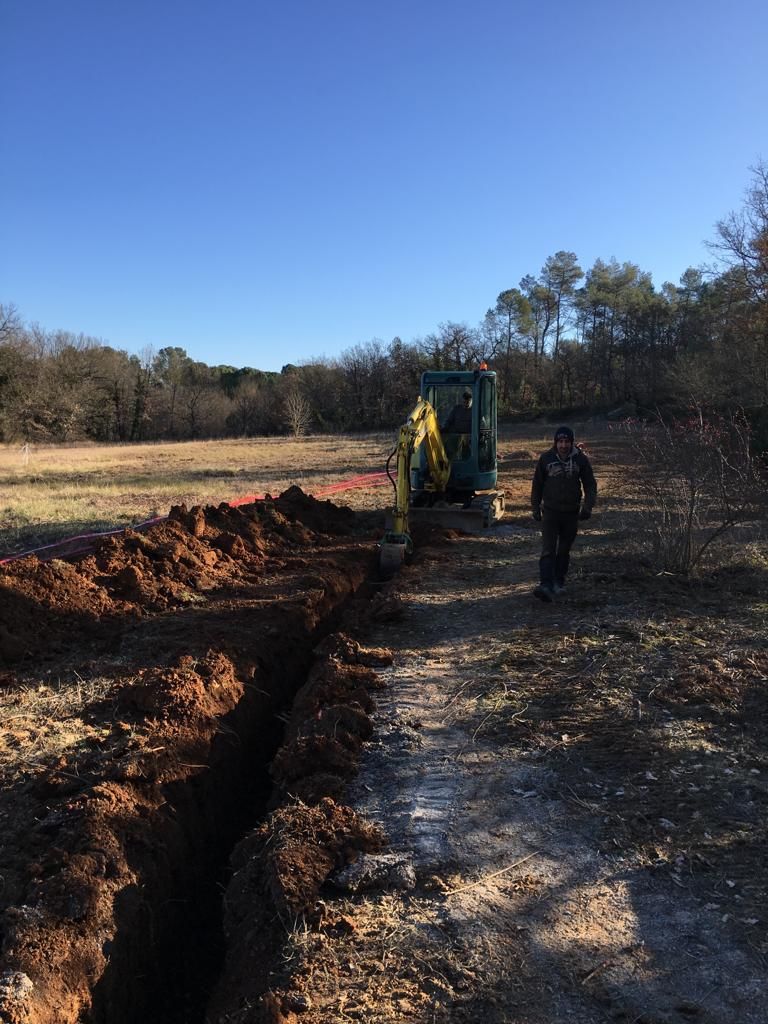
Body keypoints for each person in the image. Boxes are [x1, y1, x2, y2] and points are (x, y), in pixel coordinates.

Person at [530, 425, 596, 602]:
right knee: (548, 550)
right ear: (555, 442)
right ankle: (545, 584)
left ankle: (558, 582)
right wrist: (535, 507)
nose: (563, 445)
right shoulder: (546, 459)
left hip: (571, 513)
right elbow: (537, 485)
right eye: (560, 442)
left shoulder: (581, 460)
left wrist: (588, 507)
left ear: (572, 442)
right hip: (550, 512)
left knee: (564, 551)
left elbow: (590, 485)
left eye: (567, 441)